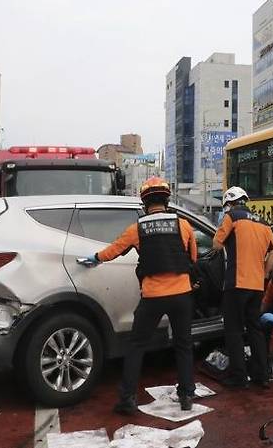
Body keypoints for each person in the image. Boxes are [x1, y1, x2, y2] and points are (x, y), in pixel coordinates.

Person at [79, 177, 197, 414]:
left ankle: (127, 400)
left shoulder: (137, 229)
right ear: (166, 199)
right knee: (184, 345)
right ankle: (186, 396)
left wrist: (94, 258)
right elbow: (193, 258)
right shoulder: (183, 225)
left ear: (144, 202)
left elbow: (113, 251)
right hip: (182, 294)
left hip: (153, 296)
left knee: (137, 345)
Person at [212, 186, 273, 389]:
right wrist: (265, 273)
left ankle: (239, 378)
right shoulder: (263, 222)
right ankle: (262, 376)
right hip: (257, 285)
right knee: (255, 329)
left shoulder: (232, 216)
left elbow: (215, 244)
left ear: (229, 203)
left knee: (233, 330)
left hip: (236, 282)